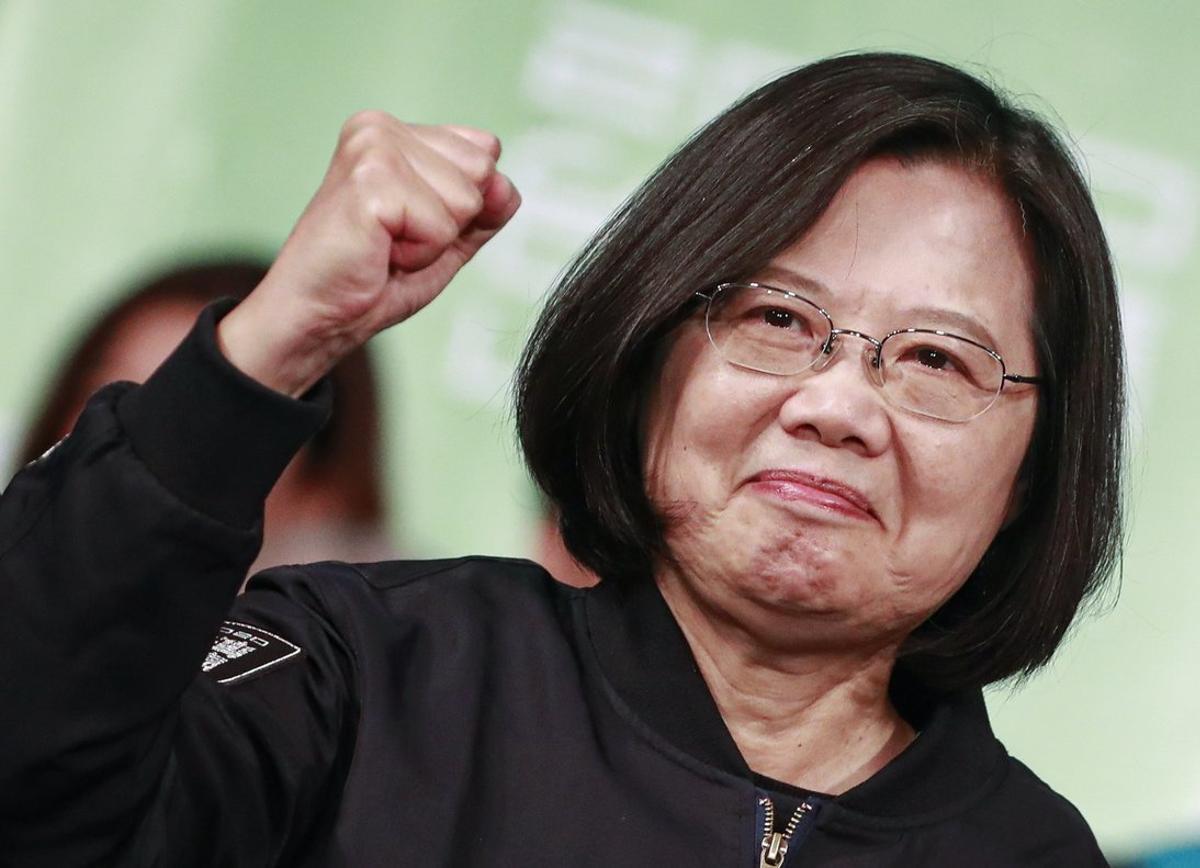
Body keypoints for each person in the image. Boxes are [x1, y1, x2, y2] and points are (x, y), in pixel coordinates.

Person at [0, 52, 1122, 866]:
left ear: (1034, 467)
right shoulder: (372, 675)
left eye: (936, 357)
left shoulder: (1034, 853)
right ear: (644, 357)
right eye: (778, 319)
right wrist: (270, 344)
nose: (838, 405)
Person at [13, 259, 394, 569]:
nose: (139, 443)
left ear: (323, 488)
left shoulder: (363, 648)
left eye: (208, 423)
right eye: (113, 397)